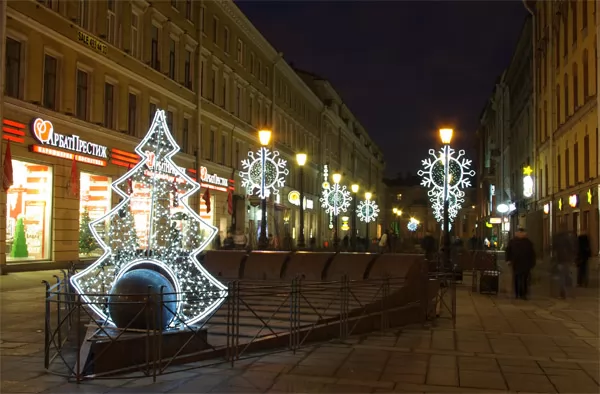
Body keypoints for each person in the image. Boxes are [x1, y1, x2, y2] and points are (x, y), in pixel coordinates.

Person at [505, 228, 536, 300]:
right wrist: (508, 260)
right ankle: (517, 293)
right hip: (516, 263)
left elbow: (532, 253)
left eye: (522, 232)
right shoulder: (513, 242)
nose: (521, 234)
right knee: (517, 278)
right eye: (519, 232)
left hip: (526, 263)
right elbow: (508, 251)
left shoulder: (528, 242)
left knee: (524, 279)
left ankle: (523, 293)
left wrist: (532, 263)